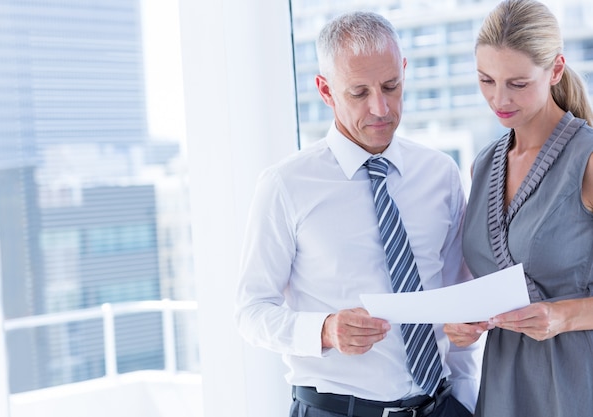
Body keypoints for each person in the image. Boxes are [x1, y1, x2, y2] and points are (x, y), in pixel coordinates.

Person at [235, 10, 481, 417]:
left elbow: (457, 303)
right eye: (359, 93)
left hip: (439, 406)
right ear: (326, 90)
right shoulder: (286, 185)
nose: (381, 108)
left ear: (404, 70)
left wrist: (467, 401)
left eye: (391, 86)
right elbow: (250, 310)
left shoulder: (440, 174)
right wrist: (324, 330)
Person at [443, 1, 593, 416]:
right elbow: (483, 282)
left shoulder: (588, 160)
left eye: (518, 83)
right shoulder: (485, 163)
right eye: (486, 80)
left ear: (556, 70)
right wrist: (462, 326)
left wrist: (563, 316)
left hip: (577, 381)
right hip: (505, 384)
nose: (499, 98)